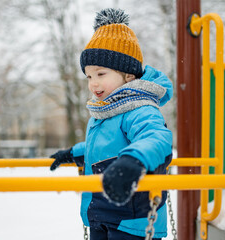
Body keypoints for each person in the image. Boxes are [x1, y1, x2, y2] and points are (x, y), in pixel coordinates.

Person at [50, 8, 173, 240]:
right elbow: (106, 148)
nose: (93, 84)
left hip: (132, 220)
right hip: (102, 211)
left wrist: (133, 160)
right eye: (88, 76)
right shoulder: (104, 111)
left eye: (101, 73)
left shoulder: (140, 107)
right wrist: (75, 153)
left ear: (128, 75)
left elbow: (158, 138)